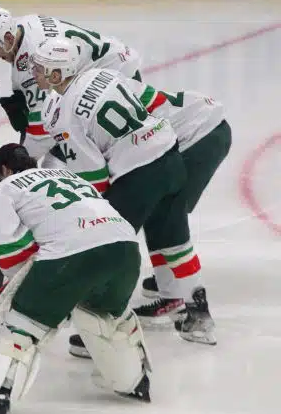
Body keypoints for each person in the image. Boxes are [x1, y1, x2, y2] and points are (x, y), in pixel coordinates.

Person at [32, 38, 215, 346]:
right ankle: (199, 317)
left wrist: (86, 215)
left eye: (40, 68)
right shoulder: (101, 74)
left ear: (57, 74)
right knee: (175, 241)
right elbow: (147, 102)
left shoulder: (66, 115)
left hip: (139, 174)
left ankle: (104, 331)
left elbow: (95, 178)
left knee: (108, 248)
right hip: (171, 156)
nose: (34, 72)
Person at [0, 143, 150, 414]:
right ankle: (134, 381)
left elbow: (8, 252)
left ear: (3, 169)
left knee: (22, 322)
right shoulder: (70, 177)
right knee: (105, 316)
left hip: (71, 253)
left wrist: (40, 293)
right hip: (126, 249)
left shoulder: (2, 190)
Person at [68, 78, 231, 356]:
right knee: (165, 223)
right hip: (188, 136)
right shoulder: (108, 80)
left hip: (193, 138)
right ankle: (184, 304)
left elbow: (100, 173)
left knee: (136, 231)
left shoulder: (73, 109)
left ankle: (111, 324)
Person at [0, 7, 140, 161]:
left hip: (116, 80)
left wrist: (21, 164)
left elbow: (42, 132)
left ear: (8, 37)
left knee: (57, 165)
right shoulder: (23, 24)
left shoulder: (36, 59)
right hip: (112, 63)